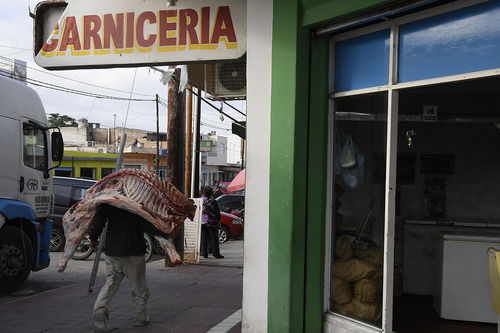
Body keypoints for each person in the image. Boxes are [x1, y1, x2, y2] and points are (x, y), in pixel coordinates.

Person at [89, 204, 167, 333]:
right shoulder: (137, 200)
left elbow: (99, 221)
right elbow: (147, 224)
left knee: (110, 283)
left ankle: (100, 310)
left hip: (113, 250)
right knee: (139, 286)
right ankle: (140, 318)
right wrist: (165, 233)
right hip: (134, 250)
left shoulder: (110, 200)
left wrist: (93, 239)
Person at [200, 186, 224, 259]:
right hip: (212, 222)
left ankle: (204, 253)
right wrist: (218, 219)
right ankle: (216, 253)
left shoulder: (200, 201)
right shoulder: (213, 201)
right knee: (214, 238)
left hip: (203, 222)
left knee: (204, 238)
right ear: (211, 193)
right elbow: (217, 213)